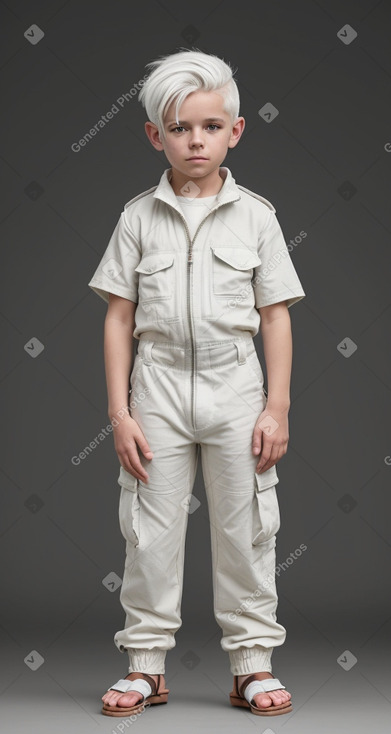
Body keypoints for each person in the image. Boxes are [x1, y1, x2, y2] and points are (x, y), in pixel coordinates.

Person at [88, 47, 306, 718]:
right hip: (155, 394)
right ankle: (145, 666)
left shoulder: (257, 218)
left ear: (234, 131)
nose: (195, 140)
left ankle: (251, 665)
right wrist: (120, 415)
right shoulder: (136, 218)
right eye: (179, 127)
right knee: (148, 533)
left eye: (210, 126)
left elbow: (274, 318)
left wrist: (276, 405)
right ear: (156, 135)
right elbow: (119, 319)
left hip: (236, 391)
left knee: (247, 531)